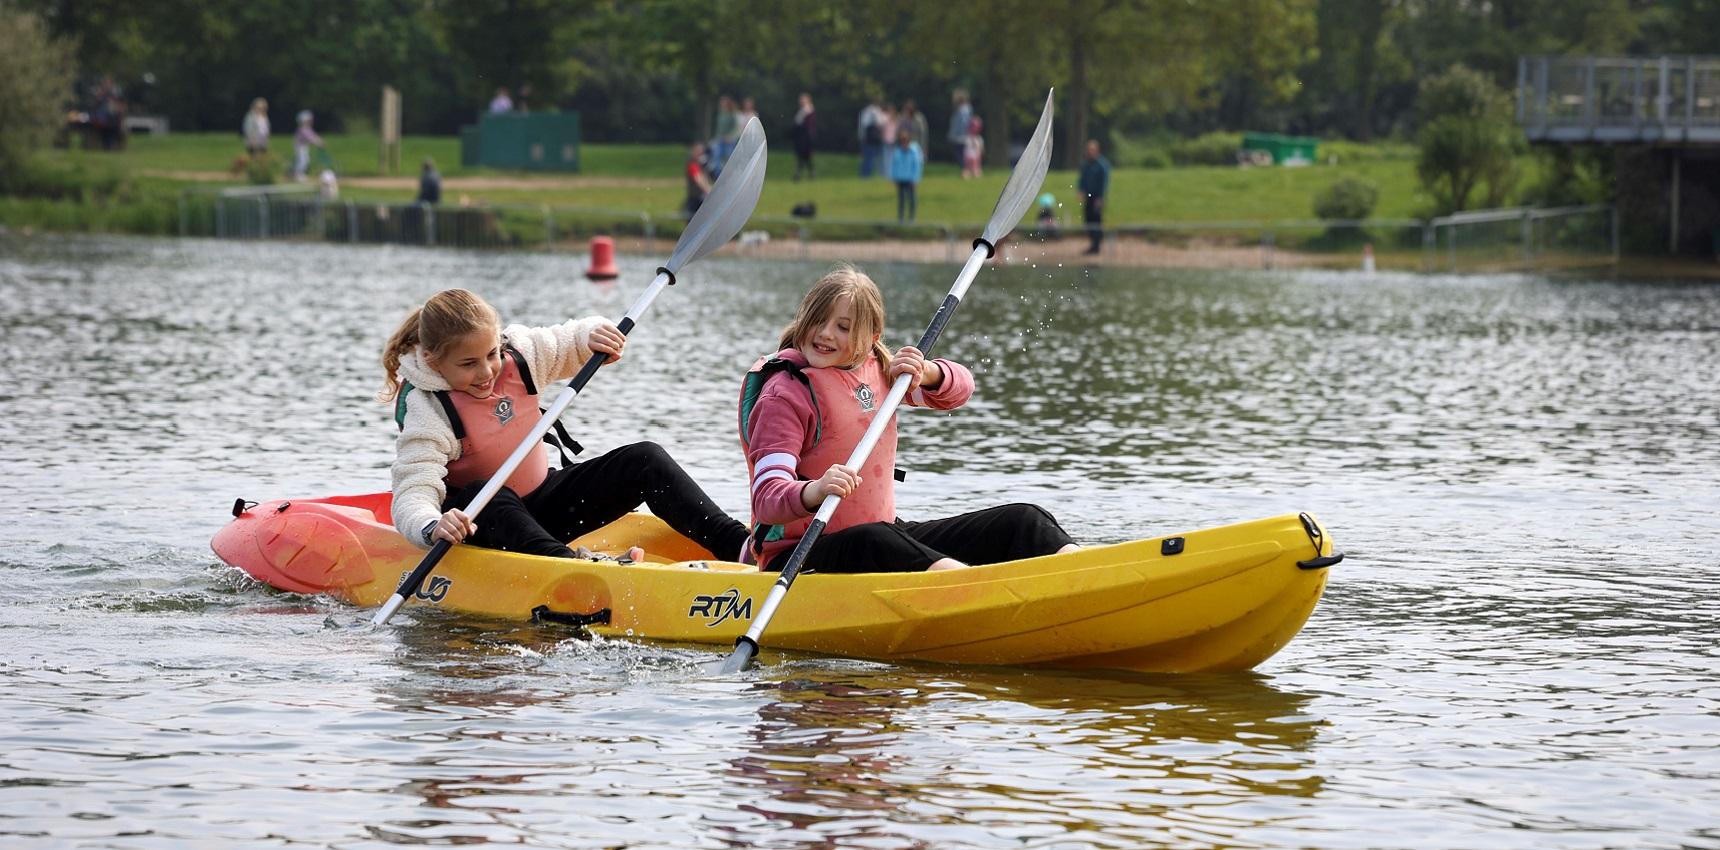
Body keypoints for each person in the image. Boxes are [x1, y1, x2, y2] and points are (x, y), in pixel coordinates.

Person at [737, 266, 1078, 573]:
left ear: (870, 339)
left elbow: (961, 389)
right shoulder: (784, 394)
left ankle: (1082, 572)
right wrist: (816, 490)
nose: (825, 334)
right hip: (798, 557)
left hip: (880, 540)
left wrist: (927, 373)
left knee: (1022, 520)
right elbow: (767, 499)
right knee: (874, 539)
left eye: (842, 327)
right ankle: (970, 589)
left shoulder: (882, 374)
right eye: (817, 321)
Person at [382, 288, 750, 561]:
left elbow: (569, 339)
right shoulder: (427, 409)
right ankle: (572, 568)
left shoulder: (520, 355)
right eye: (468, 364)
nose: (487, 372)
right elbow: (413, 491)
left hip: (547, 506)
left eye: (492, 354)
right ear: (431, 360)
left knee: (645, 459)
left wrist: (593, 336)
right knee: (486, 493)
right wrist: (431, 527)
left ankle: (741, 546)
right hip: (487, 525)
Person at [1078, 139, 1111, 255]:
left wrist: (1101, 198)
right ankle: (1092, 243)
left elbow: (1104, 183)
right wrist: (1080, 190)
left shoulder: (1102, 165)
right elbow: (1082, 180)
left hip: (1097, 197)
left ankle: (1096, 245)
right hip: (1089, 196)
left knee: (1096, 220)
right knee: (1088, 219)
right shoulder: (1086, 164)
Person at [887, 129, 923, 223]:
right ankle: (901, 218)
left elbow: (916, 166)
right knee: (901, 200)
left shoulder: (914, 152)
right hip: (901, 179)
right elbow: (894, 166)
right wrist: (894, 178)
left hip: (910, 179)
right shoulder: (897, 152)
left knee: (912, 200)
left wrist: (916, 179)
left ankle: (911, 218)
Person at [290, 110, 325, 182]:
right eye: (309, 120)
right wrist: (318, 143)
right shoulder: (303, 129)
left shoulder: (307, 128)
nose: (311, 121)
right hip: (299, 146)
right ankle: (298, 174)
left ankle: (296, 173)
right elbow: (310, 138)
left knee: (305, 160)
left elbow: (314, 136)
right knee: (303, 160)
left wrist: (320, 141)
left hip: (304, 146)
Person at [709, 96, 739, 176]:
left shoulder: (732, 114)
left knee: (729, 157)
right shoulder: (720, 113)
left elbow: (735, 128)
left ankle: (730, 175)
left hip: (729, 140)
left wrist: (730, 136)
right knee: (716, 156)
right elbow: (718, 128)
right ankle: (717, 175)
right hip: (719, 139)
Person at [791, 93, 817, 181]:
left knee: (805, 156)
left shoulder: (809, 111)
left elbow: (809, 125)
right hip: (800, 136)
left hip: (806, 137)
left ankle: (800, 174)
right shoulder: (801, 111)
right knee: (803, 157)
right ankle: (808, 173)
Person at [857, 98, 884, 178]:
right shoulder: (874, 111)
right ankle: (866, 175)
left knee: (867, 157)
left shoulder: (865, 111)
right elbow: (879, 122)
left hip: (867, 138)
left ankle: (864, 174)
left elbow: (862, 126)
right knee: (870, 158)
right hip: (872, 138)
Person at [685, 141, 713, 218]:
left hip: (701, 198)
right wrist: (709, 190)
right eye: (697, 151)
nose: (700, 154)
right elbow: (698, 179)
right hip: (696, 199)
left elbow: (704, 178)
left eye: (701, 152)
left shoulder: (701, 165)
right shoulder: (692, 164)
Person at [947, 90, 972, 165]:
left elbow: (963, 124)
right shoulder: (964, 109)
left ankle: (965, 169)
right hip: (960, 136)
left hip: (961, 137)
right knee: (960, 154)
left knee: (961, 154)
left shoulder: (963, 110)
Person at [961, 115, 984, 180]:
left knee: (977, 171)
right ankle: (968, 173)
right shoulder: (968, 138)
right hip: (969, 156)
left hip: (976, 157)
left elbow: (980, 150)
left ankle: (974, 172)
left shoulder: (979, 139)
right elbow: (966, 149)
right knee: (967, 170)